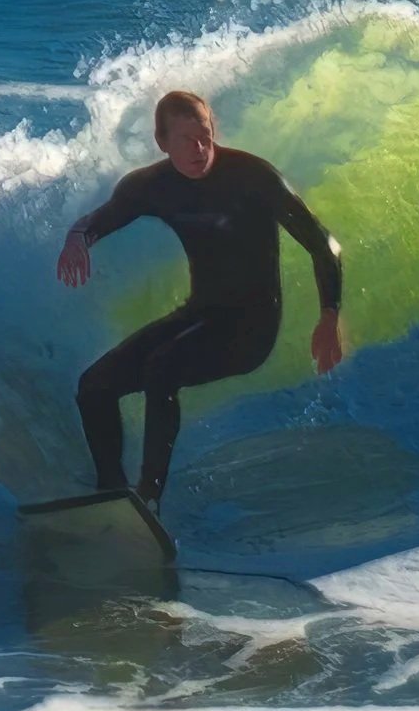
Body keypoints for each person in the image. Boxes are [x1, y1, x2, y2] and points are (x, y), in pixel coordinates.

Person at [56, 90, 345, 510]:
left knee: (162, 367)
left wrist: (329, 314)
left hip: (252, 330)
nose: (199, 148)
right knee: (93, 386)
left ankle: (149, 498)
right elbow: (101, 219)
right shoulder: (151, 186)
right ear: (163, 143)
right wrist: (77, 237)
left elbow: (323, 244)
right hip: (201, 315)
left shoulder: (253, 177)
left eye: (205, 135)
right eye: (186, 139)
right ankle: (112, 494)